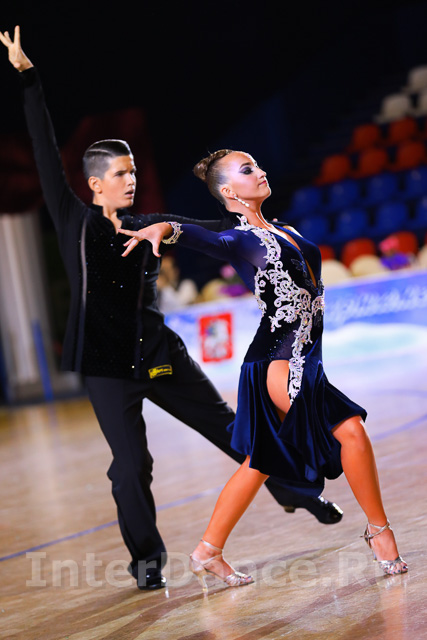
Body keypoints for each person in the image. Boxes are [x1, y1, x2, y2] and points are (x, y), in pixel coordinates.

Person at [0, 28, 344, 591]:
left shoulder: (151, 224)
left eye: (134, 171)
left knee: (235, 431)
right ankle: (147, 561)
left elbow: (217, 230)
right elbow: (42, 148)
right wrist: (29, 78)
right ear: (94, 183)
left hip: (161, 352)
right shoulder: (72, 219)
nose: (131, 180)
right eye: (121, 173)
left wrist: (246, 216)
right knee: (130, 465)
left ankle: (297, 493)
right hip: (107, 366)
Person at [120, 148, 408, 590]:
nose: (261, 172)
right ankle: (379, 532)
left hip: (305, 361)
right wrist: (166, 228)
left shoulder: (284, 229)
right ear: (228, 191)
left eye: (257, 165)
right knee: (350, 430)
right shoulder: (239, 238)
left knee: (261, 461)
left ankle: (207, 551)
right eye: (247, 169)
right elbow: (204, 239)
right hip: (278, 362)